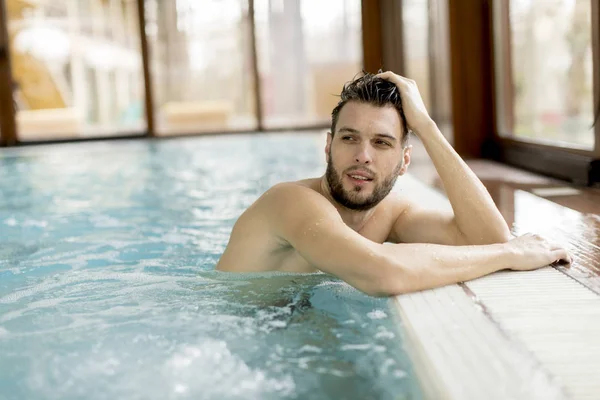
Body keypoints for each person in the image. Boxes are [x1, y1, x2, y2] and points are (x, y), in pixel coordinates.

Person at [216, 71, 571, 297]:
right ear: (328, 146)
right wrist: (509, 254)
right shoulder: (290, 202)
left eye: (382, 143)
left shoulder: (389, 213)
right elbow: (381, 273)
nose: (363, 156)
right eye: (349, 139)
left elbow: (487, 237)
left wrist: (427, 126)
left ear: (405, 161)